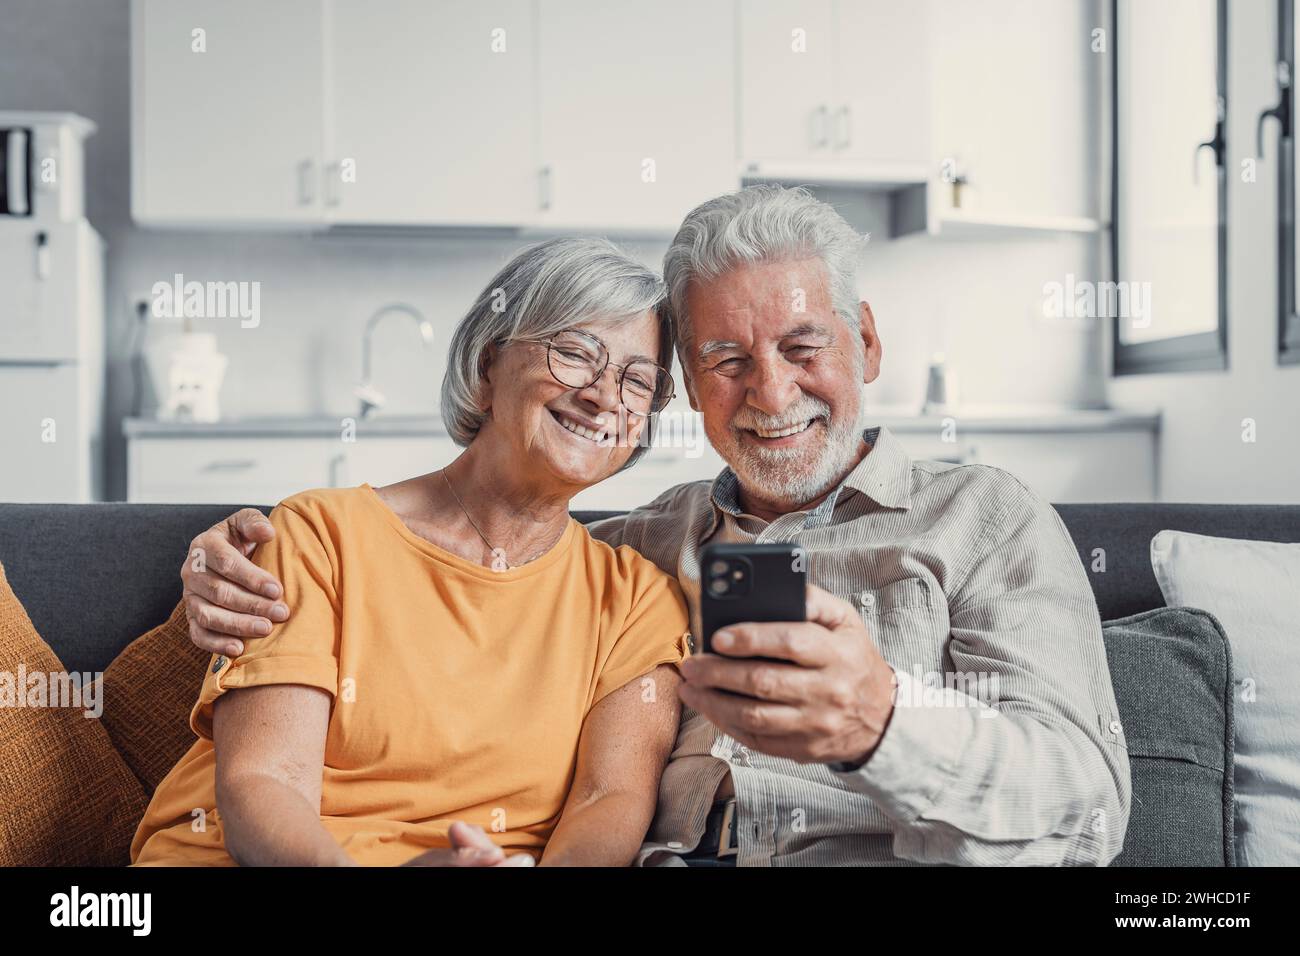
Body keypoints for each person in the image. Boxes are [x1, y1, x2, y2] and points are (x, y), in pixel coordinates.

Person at [183, 185, 1131, 867]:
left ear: (868, 343)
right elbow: (472, 566)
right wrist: (218, 556)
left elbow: (1084, 812)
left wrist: (883, 725)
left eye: (803, 347)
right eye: (725, 360)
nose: (770, 393)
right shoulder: (640, 550)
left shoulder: (982, 520)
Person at [132, 237, 691, 866]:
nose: (603, 395)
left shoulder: (638, 600)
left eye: (638, 382)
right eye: (574, 353)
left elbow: (607, 802)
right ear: (486, 369)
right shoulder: (319, 535)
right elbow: (264, 786)